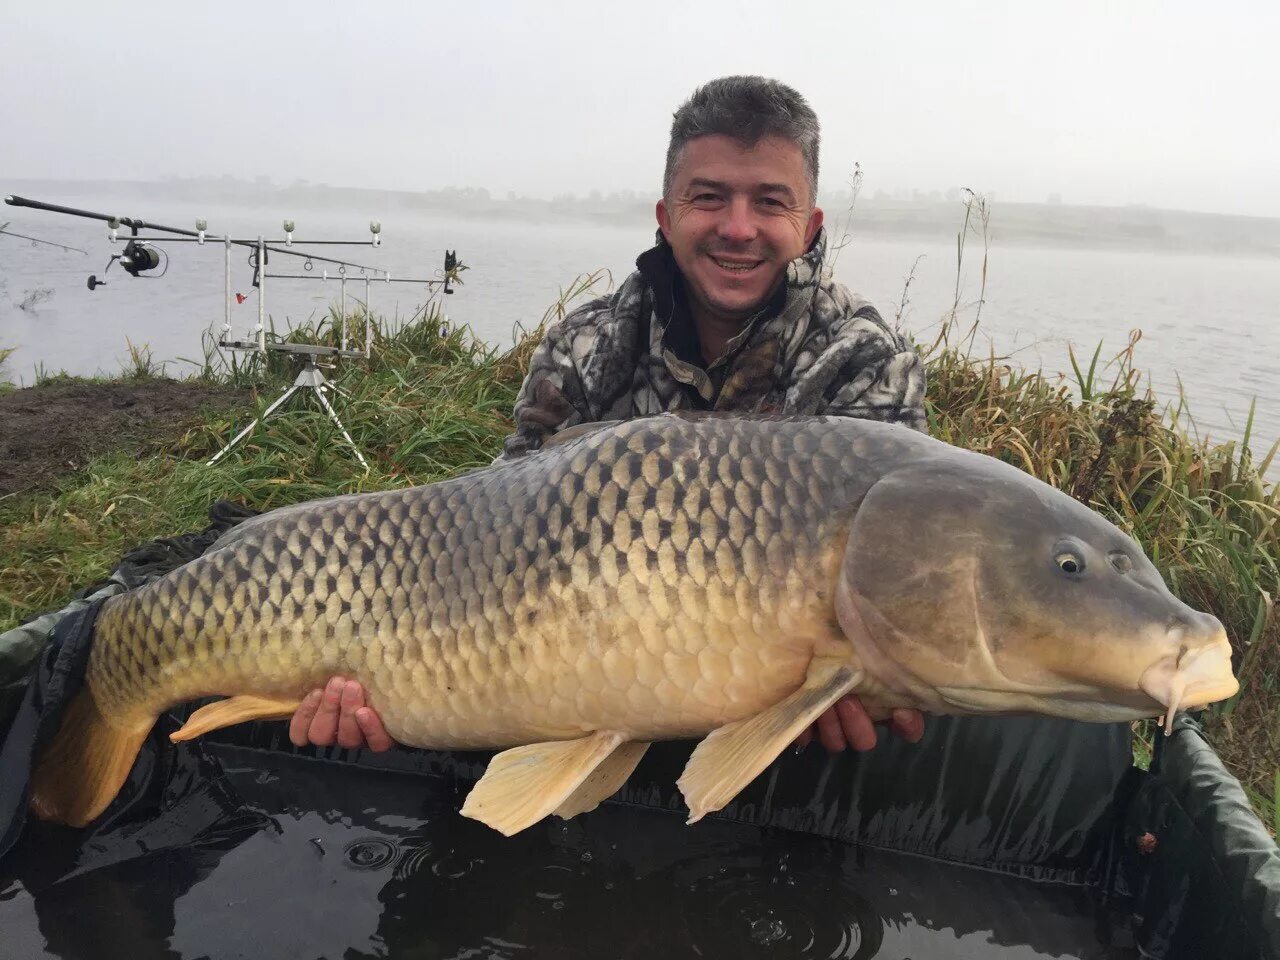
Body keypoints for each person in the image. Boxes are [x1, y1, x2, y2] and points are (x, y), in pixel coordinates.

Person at [290, 75, 928, 758]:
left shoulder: (866, 358)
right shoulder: (587, 343)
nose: (737, 228)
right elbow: (494, 535)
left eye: (769, 202)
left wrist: (852, 679)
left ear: (811, 225)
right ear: (666, 214)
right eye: (708, 197)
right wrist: (402, 686)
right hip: (570, 668)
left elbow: (892, 580)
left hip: (775, 731)